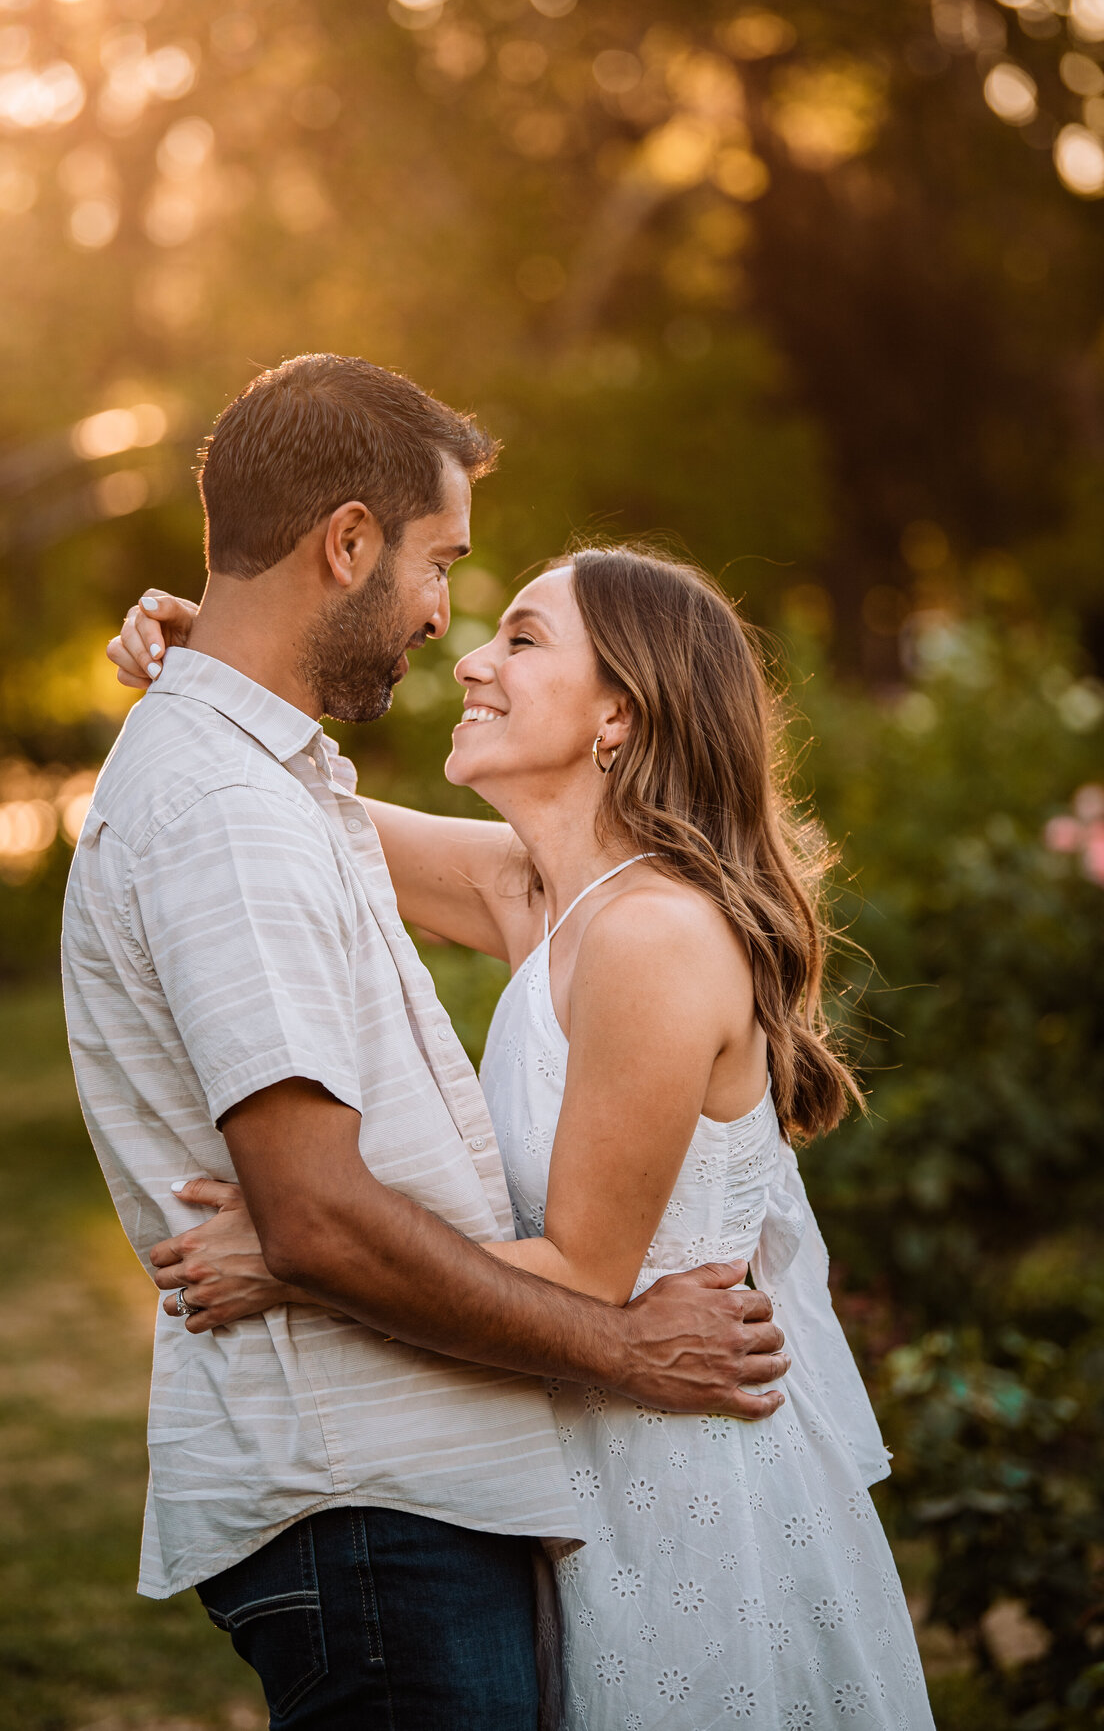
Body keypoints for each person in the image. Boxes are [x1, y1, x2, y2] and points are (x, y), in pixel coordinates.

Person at [65, 354, 788, 1731]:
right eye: (443, 569)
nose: (452, 627)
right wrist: (198, 674)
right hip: (383, 1486)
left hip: (576, 1471)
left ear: (620, 711)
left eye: (519, 635)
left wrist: (202, 678)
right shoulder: (258, 808)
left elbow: (299, 797)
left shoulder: (606, 916)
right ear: (349, 542)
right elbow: (267, 803)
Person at [111, 543, 936, 1729]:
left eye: (523, 640)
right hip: (586, 1465)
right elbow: (308, 810)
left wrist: (299, 1256)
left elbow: (586, 1274)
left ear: (620, 712)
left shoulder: (653, 935)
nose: (473, 663)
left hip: (686, 1494)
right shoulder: (543, 894)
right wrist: (217, 658)